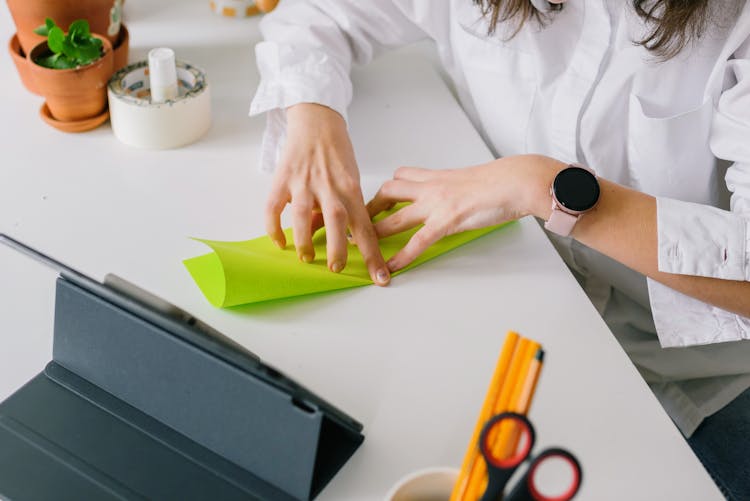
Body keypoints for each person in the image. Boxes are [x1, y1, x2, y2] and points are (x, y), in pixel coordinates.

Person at [248, 1, 750, 498]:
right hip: (527, 324)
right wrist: (314, 118)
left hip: (714, 380)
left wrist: (540, 185)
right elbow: (318, 12)